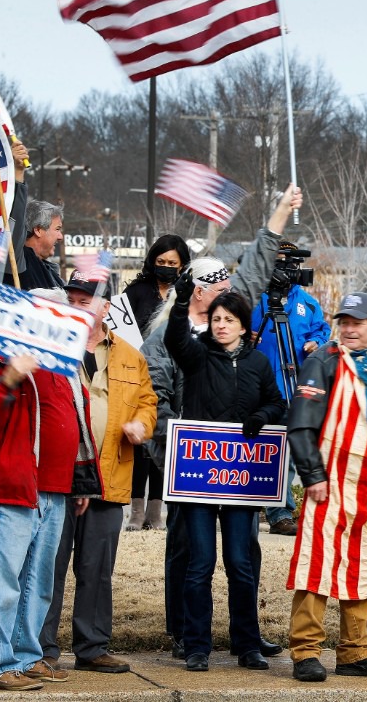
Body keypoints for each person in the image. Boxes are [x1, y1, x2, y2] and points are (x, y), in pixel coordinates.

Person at [142, 184, 302, 660]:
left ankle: (243, 637)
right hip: (184, 460)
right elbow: (157, 399)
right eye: (216, 284)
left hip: (237, 466)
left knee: (240, 556)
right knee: (190, 556)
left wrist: (278, 214)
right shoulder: (177, 341)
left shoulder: (235, 328)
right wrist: (174, 451)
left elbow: (256, 265)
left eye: (227, 290)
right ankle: (186, 635)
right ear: (198, 290)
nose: (227, 291)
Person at [0, 289, 101, 690]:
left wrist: (80, 478)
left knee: (38, 583)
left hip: (55, 488)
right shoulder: (4, 356)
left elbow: (76, 424)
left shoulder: (61, 363)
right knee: (3, 581)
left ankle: (27, 657)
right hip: (12, 486)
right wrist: (11, 375)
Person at [286, 292, 367, 682]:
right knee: (318, 562)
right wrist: (312, 475)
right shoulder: (323, 360)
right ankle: (306, 651)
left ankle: (355, 651)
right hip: (330, 481)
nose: (349, 329)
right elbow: (302, 421)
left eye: (357, 322)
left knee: (363, 562)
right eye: (344, 321)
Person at [164, 279, 287, 672]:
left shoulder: (258, 362)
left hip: (243, 479)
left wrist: (261, 417)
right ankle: (197, 645)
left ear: (242, 325)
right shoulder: (197, 356)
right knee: (200, 563)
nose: (221, 325)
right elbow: (174, 338)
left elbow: (277, 403)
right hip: (200, 479)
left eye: (228, 319)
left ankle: (247, 644)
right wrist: (183, 301)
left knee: (240, 562)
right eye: (216, 319)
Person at [39, 272, 158, 675]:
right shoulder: (49, 349)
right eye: (71, 299)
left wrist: (142, 423)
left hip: (110, 475)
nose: (77, 306)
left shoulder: (129, 354)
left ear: (106, 307)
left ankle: (91, 647)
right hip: (58, 476)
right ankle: (41, 650)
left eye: (85, 300)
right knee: (49, 566)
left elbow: (147, 401)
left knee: (96, 568)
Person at [250, 240, 331, 536]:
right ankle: (257, 502)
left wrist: (316, 344)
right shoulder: (254, 300)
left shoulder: (307, 303)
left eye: (288, 263)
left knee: (289, 450)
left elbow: (322, 330)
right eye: (277, 262)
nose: (283, 269)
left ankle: (280, 511)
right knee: (261, 449)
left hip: (294, 386)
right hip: (259, 387)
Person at [122, 235, 191, 532]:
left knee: (165, 438)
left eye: (172, 263)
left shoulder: (185, 294)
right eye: (161, 262)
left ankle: (156, 511)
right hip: (136, 372)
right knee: (140, 444)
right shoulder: (136, 292)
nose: (165, 267)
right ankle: (136, 510)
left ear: (182, 265)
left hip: (173, 374)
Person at [0, 199, 64, 299]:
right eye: (57, 229)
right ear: (38, 230)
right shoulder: (13, 259)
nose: (60, 237)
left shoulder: (49, 270)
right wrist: (20, 185)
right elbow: (15, 223)